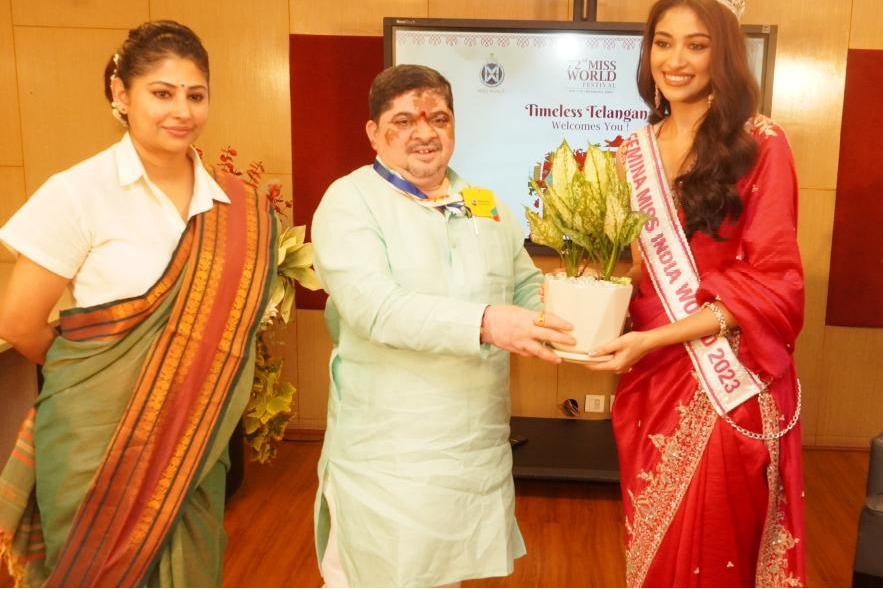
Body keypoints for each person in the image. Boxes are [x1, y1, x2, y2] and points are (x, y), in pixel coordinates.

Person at [0, 21, 276, 587]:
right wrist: (102, 376)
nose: (182, 111)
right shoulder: (78, 192)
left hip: (192, 436)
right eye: (162, 93)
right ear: (120, 94)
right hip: (93, 439)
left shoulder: (236, 208)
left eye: (195, 95)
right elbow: (20, 321)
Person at [310, 64, 576, 587]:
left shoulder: (485, 203)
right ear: (373, 132)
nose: (424, 132)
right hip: (391, 459)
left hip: (471, 454)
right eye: (404, 120)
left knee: (447, 578)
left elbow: (524, 286)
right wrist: (486, 323)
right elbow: (376, 309)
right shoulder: (349, 201)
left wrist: (580, 307)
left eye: (438, 118)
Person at [583, 0, 806, 586]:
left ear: (723, 54)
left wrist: (655, 338)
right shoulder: (630, 151)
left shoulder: (761, 143)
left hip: (729, 378)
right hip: (651, 377)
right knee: (655, 548)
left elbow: (776, 282)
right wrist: (594, 301)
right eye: (663, 42)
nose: (675, 60)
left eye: (696, 44)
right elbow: (640, 269)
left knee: (711, 547)